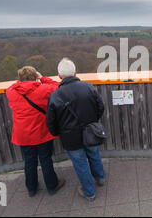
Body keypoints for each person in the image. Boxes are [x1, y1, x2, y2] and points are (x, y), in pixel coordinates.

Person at [46, 58, 106, 201]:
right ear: (75, 72)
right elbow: (100, 107)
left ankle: (89, 193)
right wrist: (93, 121)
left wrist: (57, 133)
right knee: (94, 154)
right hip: (90, 131)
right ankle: (100, 178)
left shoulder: (55, 96)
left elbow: (51, 121)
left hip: (70, 138)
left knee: (80, 164)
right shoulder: (89, 87)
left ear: (59, 76)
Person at [6, 66, 65, 197]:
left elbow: (15, 85)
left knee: (29, 160)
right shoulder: (43, 89)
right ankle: (52, 186)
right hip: (41, 132)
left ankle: (31, 188)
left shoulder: (11, 91)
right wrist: (41, 77)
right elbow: (58, 86)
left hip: (23, 135)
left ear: (20, 78)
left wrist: (21, 81)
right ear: (35, 77)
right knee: (45, 159)